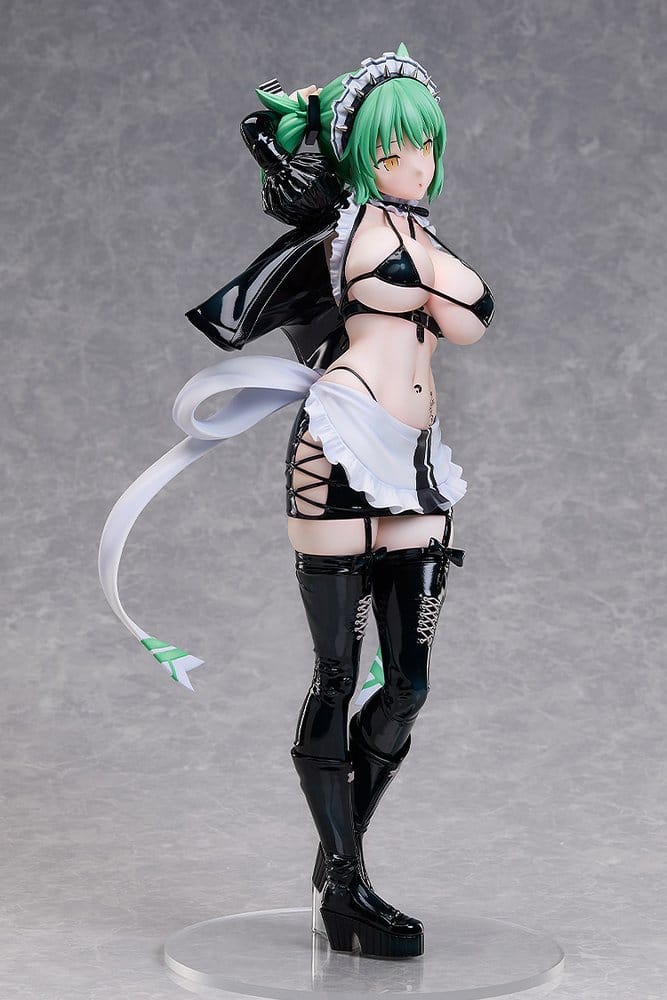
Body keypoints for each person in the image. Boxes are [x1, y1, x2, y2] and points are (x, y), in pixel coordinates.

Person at [98, 44, 493, 960]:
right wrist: (310, 123)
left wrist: (435, 275)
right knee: (335, 674)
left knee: (407, 685)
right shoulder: (341, 230)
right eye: (392, 149)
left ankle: (334, 862)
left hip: (415, 461)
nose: (414, 164)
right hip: (338, 446)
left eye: (425, 146)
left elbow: (473, 319)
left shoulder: (422, 235)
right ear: (359, 155)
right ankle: (348, 884)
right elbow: (274, 154)